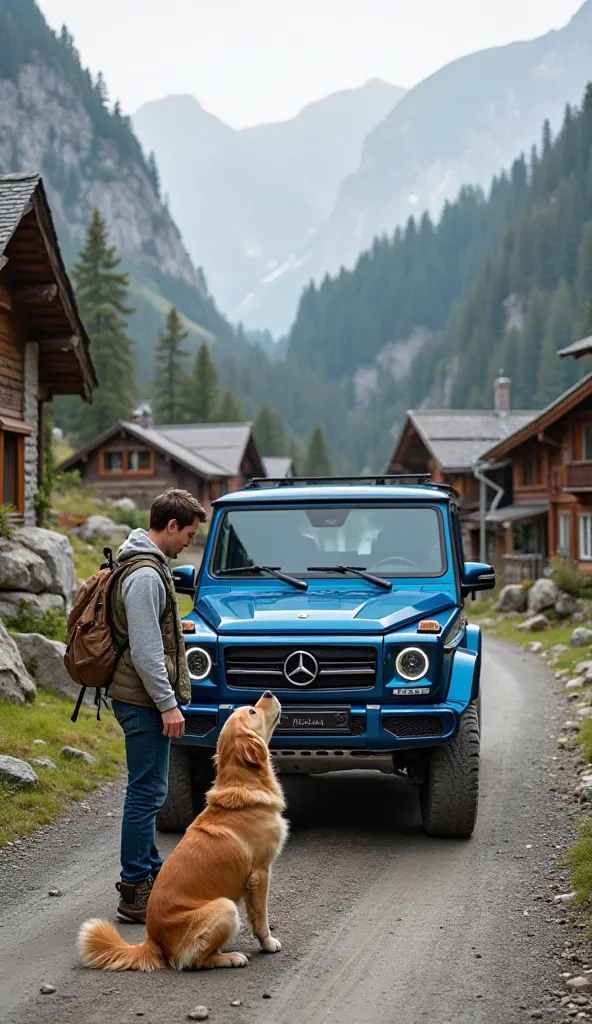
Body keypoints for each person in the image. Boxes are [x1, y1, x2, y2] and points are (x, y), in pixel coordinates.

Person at [108, 488, 207, 923]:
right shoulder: (146, 575)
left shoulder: (146, 565)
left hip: (141, 696)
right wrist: (169, 704)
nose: (188, 542)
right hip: (143, 699)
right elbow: (148, 652)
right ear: (170, 527)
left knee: (150, 791)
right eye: (187, 533)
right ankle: (135, 891)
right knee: (146, 793)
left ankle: (150, 873)